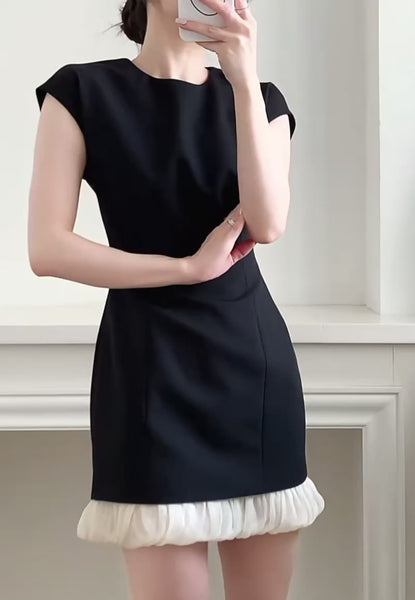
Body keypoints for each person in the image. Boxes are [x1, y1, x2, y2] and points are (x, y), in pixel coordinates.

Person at [28, 0, 325, 598]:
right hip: (147, 369)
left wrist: (242, 79)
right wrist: (185, 269)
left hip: (252, 371)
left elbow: (266, 222)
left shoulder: (262, 98)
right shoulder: (81, 92)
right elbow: (47, 248)